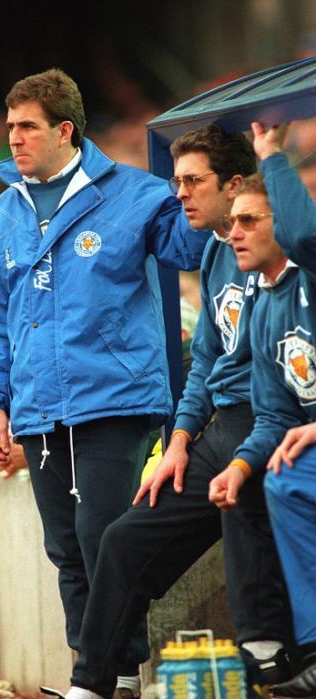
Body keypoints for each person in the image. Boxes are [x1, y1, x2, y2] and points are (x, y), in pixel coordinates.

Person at [0, 67, 211, 694]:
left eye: (27, 128)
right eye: (10, 128)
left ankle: (96, 678)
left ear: (65, 130)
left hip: (117, 398)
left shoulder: (137, 195)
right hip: (39, 409)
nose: (14, 140)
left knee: (104, 542)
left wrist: (216, 182)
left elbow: (193, 249)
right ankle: (115, 677)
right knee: (67, 553)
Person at [52, 124, 293, 699]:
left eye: (191, 181)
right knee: (122, 540)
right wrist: (180, 440)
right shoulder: (213, 252)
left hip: (272, 422)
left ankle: (275, 669)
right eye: (174, 180)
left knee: (246, 527)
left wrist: (275, 154)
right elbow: (207, 359)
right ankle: (93, 686)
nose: (178, 193)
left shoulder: (285, 252)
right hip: (220, 430)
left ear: (233, 183)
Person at [210, 121, 316, 698]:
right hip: (308, 447)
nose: (234, 234)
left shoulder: (313, 274)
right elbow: (274, 414)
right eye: (231, 222)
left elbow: (305, 234)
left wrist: (272, 155)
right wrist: (240, 467)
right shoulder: (265, 307)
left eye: (251, 220)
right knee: (280, 477)